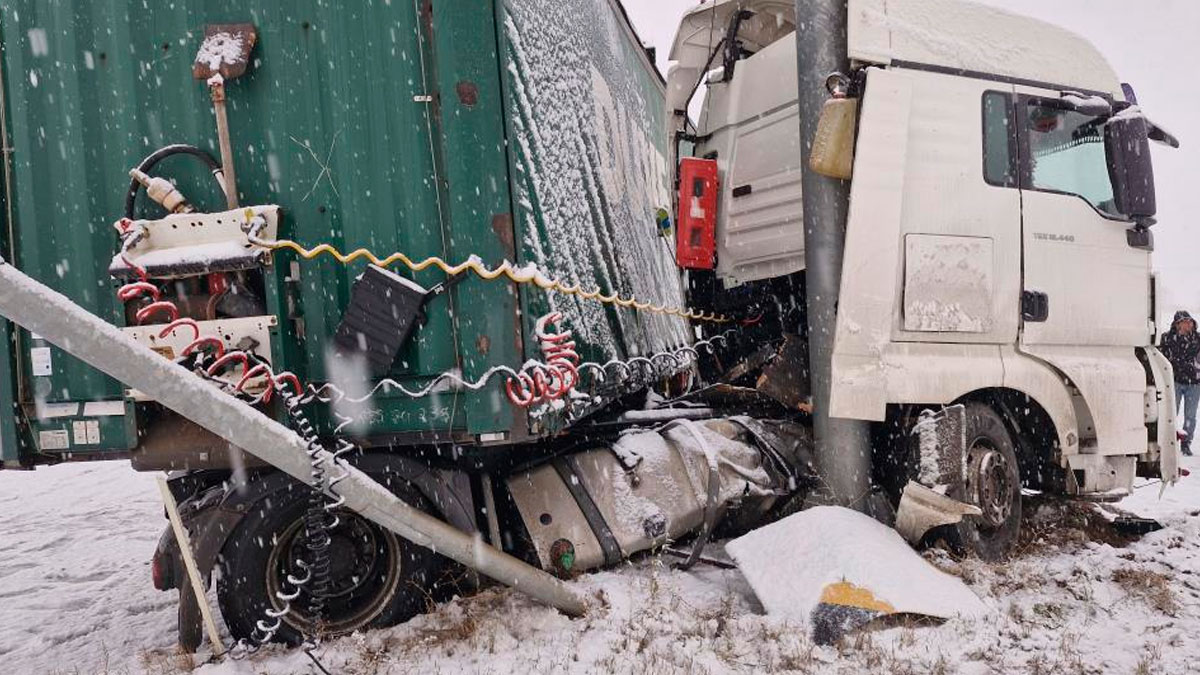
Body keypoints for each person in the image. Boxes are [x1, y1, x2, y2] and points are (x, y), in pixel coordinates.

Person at [1160, 311, 1200, 456]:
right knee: (1171, 414)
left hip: (1194, 384)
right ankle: (1168, 442)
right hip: (1174, 383)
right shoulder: (1167, 338)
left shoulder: (1198, 339)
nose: (1188, 324)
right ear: (1177, 324)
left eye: (1190, 321)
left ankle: (1186, 443)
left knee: (1190, 416)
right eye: (1184, 321)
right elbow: (1160, 358)